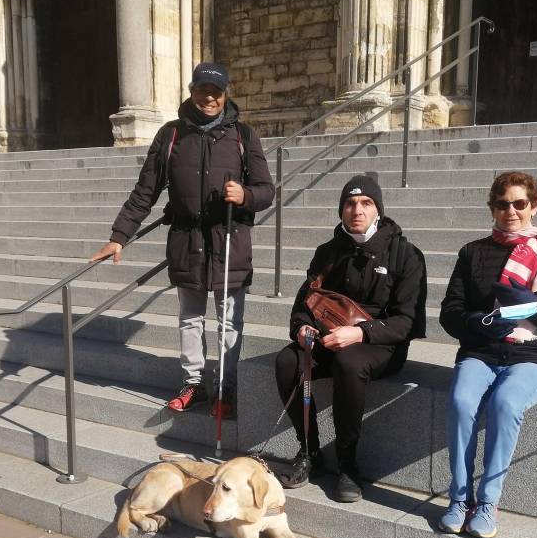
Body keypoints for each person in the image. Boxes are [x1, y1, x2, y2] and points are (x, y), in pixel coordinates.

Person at [91, 63, 273, 419]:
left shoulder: (244, 135)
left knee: (230, 322)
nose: (209, 97)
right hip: (186, 242)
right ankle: (194, 383)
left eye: (216, 91)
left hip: (228, 242)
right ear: (192, 90)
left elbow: (267, 192)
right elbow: (145, 191)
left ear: (225, 94)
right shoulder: (170, 135)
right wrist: (119, 236)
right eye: (203, 89)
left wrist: (246, 195)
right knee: (190, 318)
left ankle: (226, 388)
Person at [438, 171, 537, 538]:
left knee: (505, 403)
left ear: (533, 206)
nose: (511, 211)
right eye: (502, 204)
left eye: (519, 203)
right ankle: (459, 499)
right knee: (460, 400)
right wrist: (479, 322)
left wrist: (535, 304)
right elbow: (450, 313)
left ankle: (488, 502)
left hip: (533, 355)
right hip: (482, 351)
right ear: (492, 208)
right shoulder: (472, 252)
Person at [274, 175, 427, 503]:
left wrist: (360, 332)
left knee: (349, 361)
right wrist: (302, 328)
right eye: (350, 203)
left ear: (378, 210)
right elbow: (306, 300)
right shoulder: (327, 252)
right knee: (287, 361)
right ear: (341, 210)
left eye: (366, 203)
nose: (357, 209)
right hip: (329, 336)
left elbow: (407, 321)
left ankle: (347, 464)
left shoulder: (406, 254)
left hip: (380, 343)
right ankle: (310, 451)